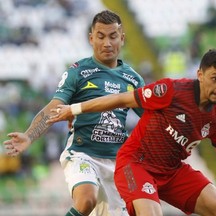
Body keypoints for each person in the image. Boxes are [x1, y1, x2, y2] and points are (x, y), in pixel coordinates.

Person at [44, 49, 216, 216]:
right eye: (215, 79)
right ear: (200, 74)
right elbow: (120, 99)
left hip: (172, 172)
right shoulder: (171, 90)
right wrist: (73, 109)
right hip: (135, 165)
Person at [3, 10, 145, 216]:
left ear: (121, 38)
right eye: (101, 36)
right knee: (86, 200)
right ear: (91, 38)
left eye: (113, 36)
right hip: (82, 154)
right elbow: (55, 106)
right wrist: (29, 135)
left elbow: (151, 117)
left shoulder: (133, 79)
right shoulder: (78, 72)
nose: (107, 43)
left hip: (117, 163)